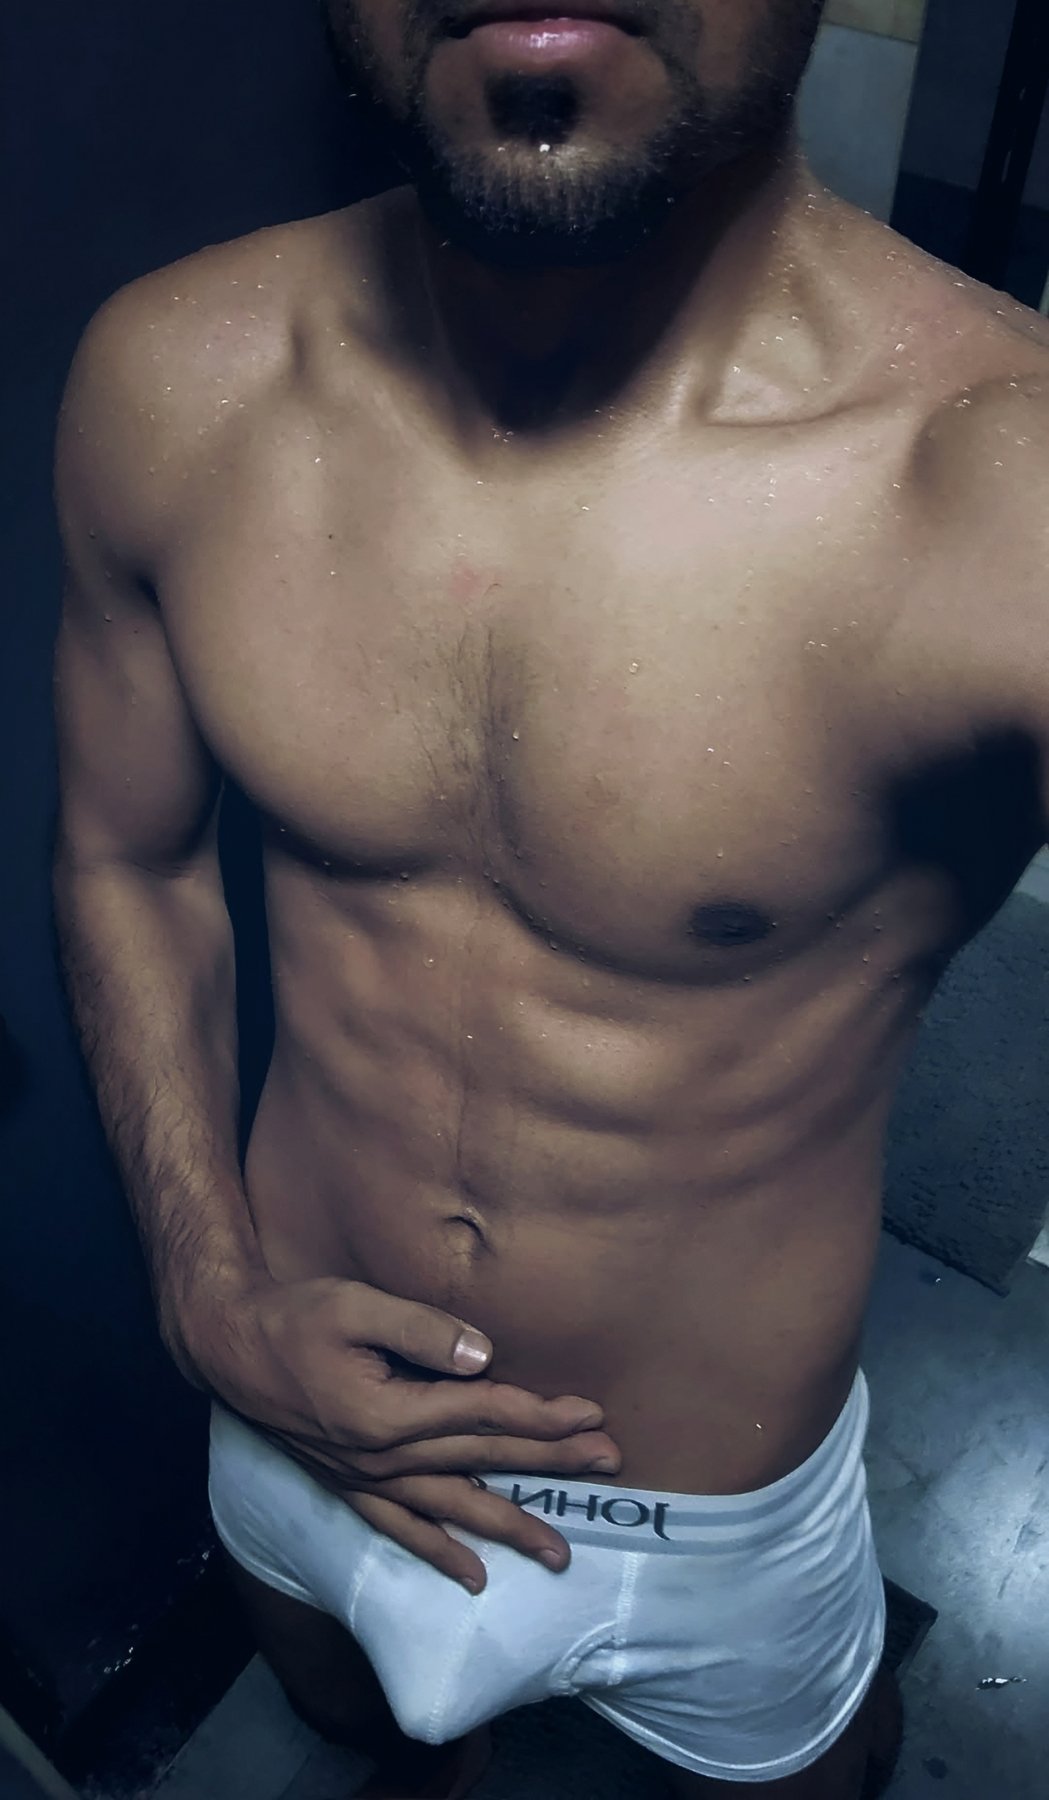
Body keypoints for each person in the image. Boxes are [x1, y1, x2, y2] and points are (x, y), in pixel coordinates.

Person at [49, 0, 1049, 1792]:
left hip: (701, 1515)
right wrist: (207, 1293)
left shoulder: (999, 494)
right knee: (346, 1728)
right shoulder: (173, 381)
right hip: (292, 1408)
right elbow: (132, 861)